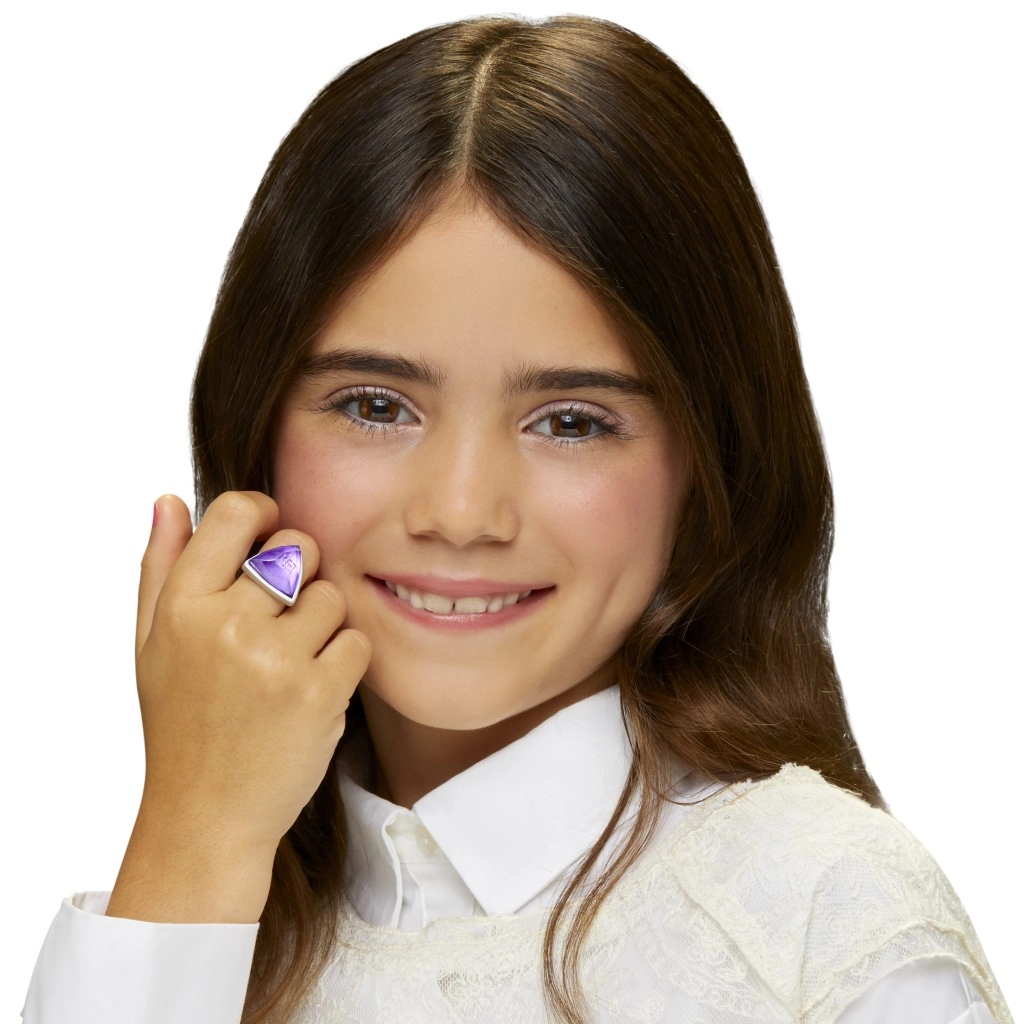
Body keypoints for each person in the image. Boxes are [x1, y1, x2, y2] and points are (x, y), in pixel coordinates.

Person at [19, 14, 1013, 1024]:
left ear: (709, 462)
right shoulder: (205, 877)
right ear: (256, 428)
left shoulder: (823, 930)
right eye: (375, 406)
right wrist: (197, 831)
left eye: (572, 421)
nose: (461, 512)